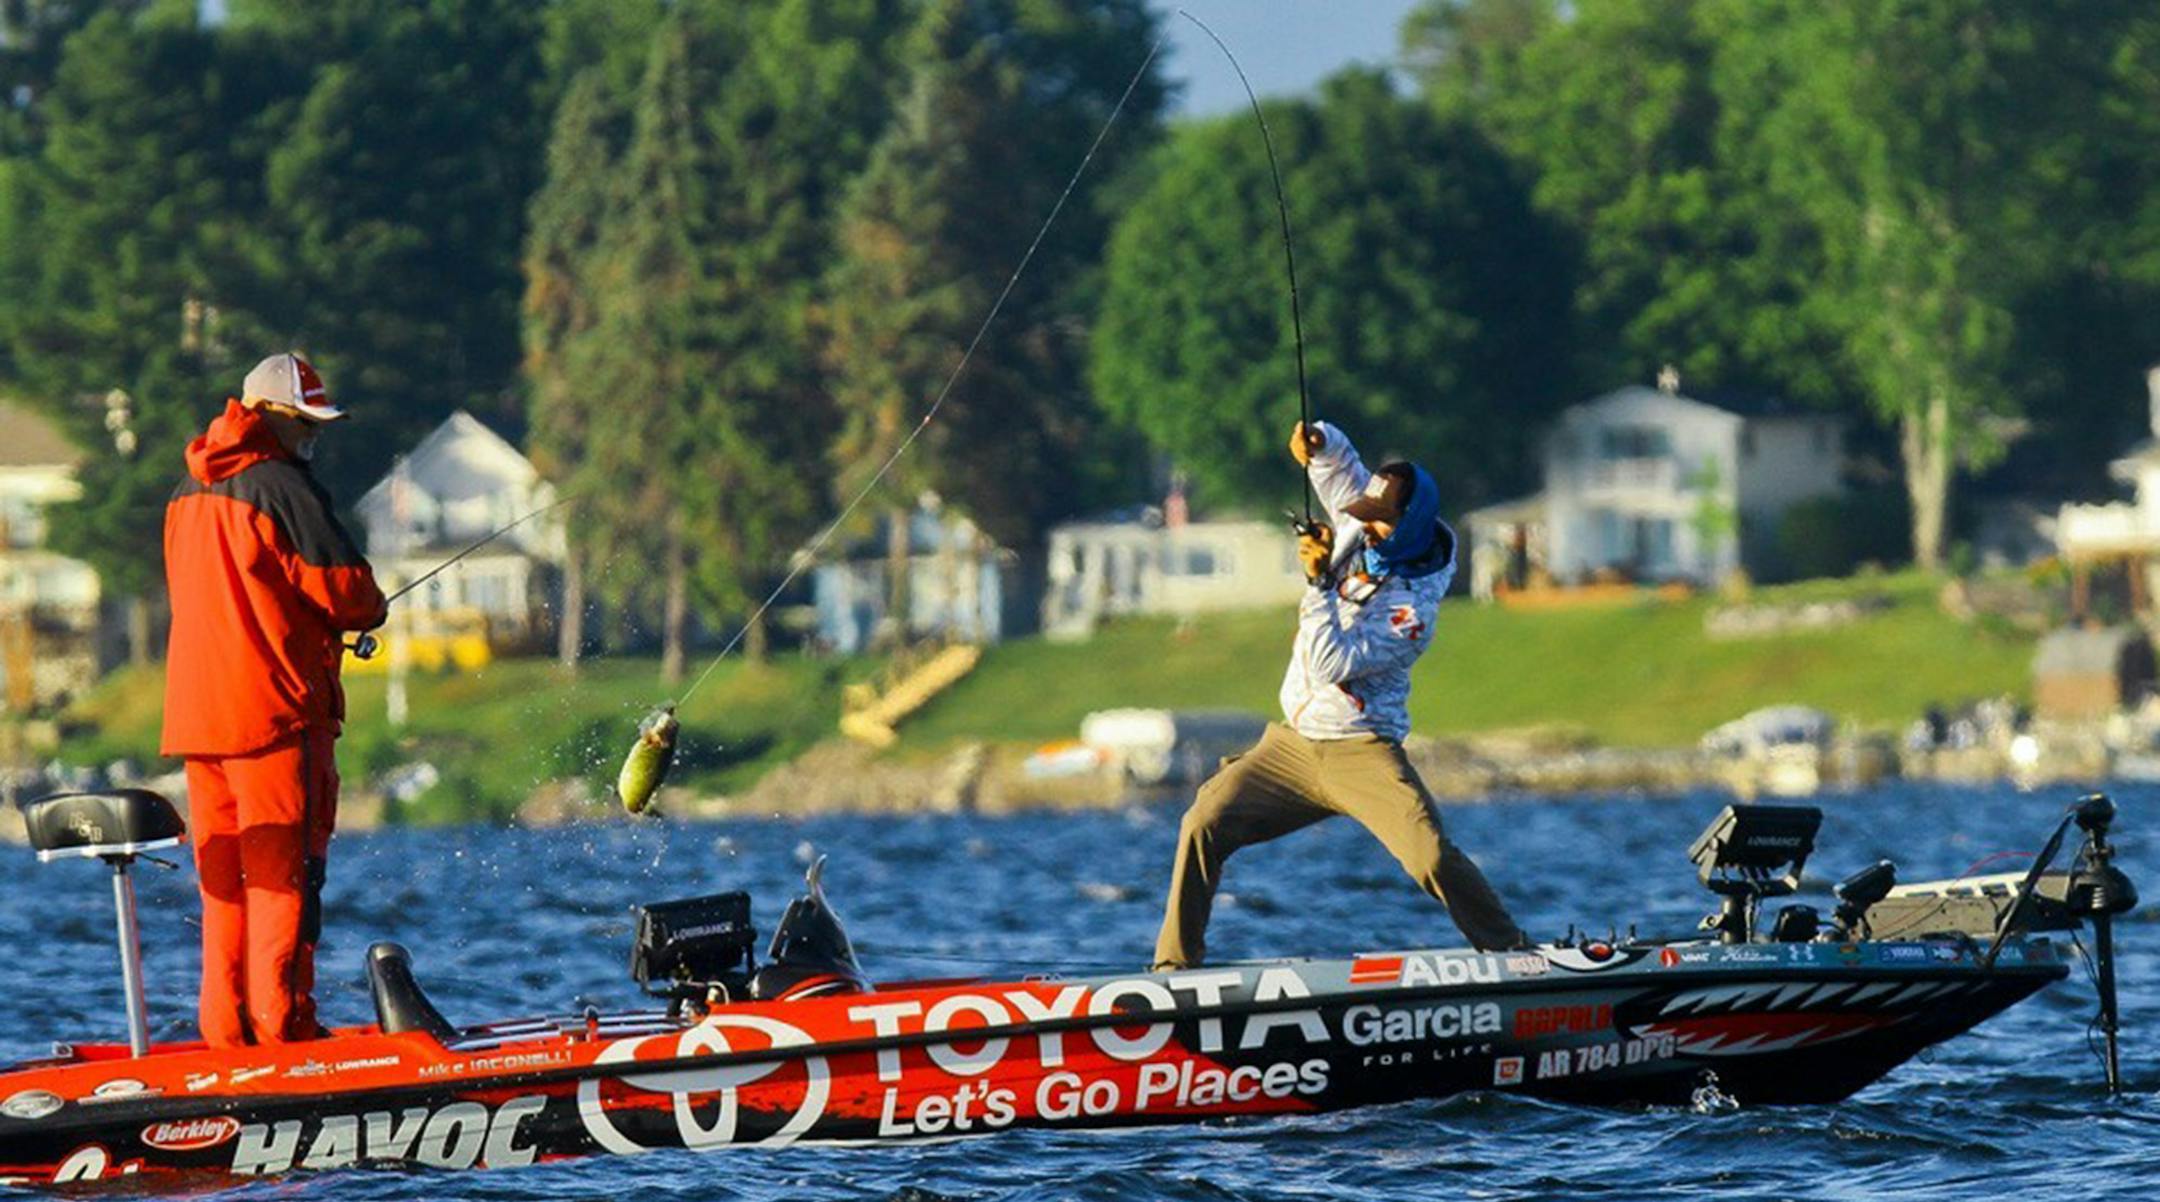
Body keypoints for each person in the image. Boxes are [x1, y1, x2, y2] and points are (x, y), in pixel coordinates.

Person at [1152, 420, 1526, 970]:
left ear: (1409, 527)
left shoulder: (1413, 614)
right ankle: (1173, 968)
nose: (1364, 526)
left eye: (1378, 520)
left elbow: (1331, 663)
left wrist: (1319, 583)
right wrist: (1319, 440)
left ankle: (1513, 954)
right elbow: (1338, 468)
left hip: (1361, 751)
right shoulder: (1365, 525)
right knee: (1202, 822)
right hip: (1292, 747)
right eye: (1364, 514)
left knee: (1429, 858)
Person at [162, 352, 386, 1046]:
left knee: (224, 886)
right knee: (284, 880)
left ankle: (226, 1036)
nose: (314, 436)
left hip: (198, 720)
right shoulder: (283, 487)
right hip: (273, 716)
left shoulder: (186, 488)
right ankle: (283, 1032)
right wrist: (368, 610)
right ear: (270, 416)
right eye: (306, 422)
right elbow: (350, 593)